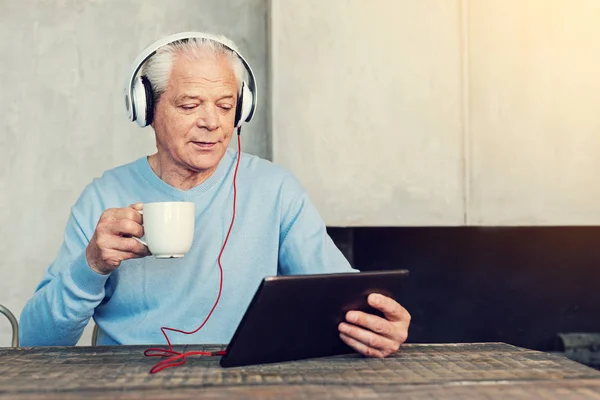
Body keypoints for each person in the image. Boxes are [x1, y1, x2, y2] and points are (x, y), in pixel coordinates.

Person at [19, 32, 410, 359]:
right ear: (147, 108)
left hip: (246, 380)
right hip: (128, 383)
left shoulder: (274, 189)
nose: (211, 122)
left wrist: (378, 321)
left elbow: (343, 296)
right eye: (190, 105)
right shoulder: (104, 195)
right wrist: (91, 265)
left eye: (226, 106)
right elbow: (37, 342)